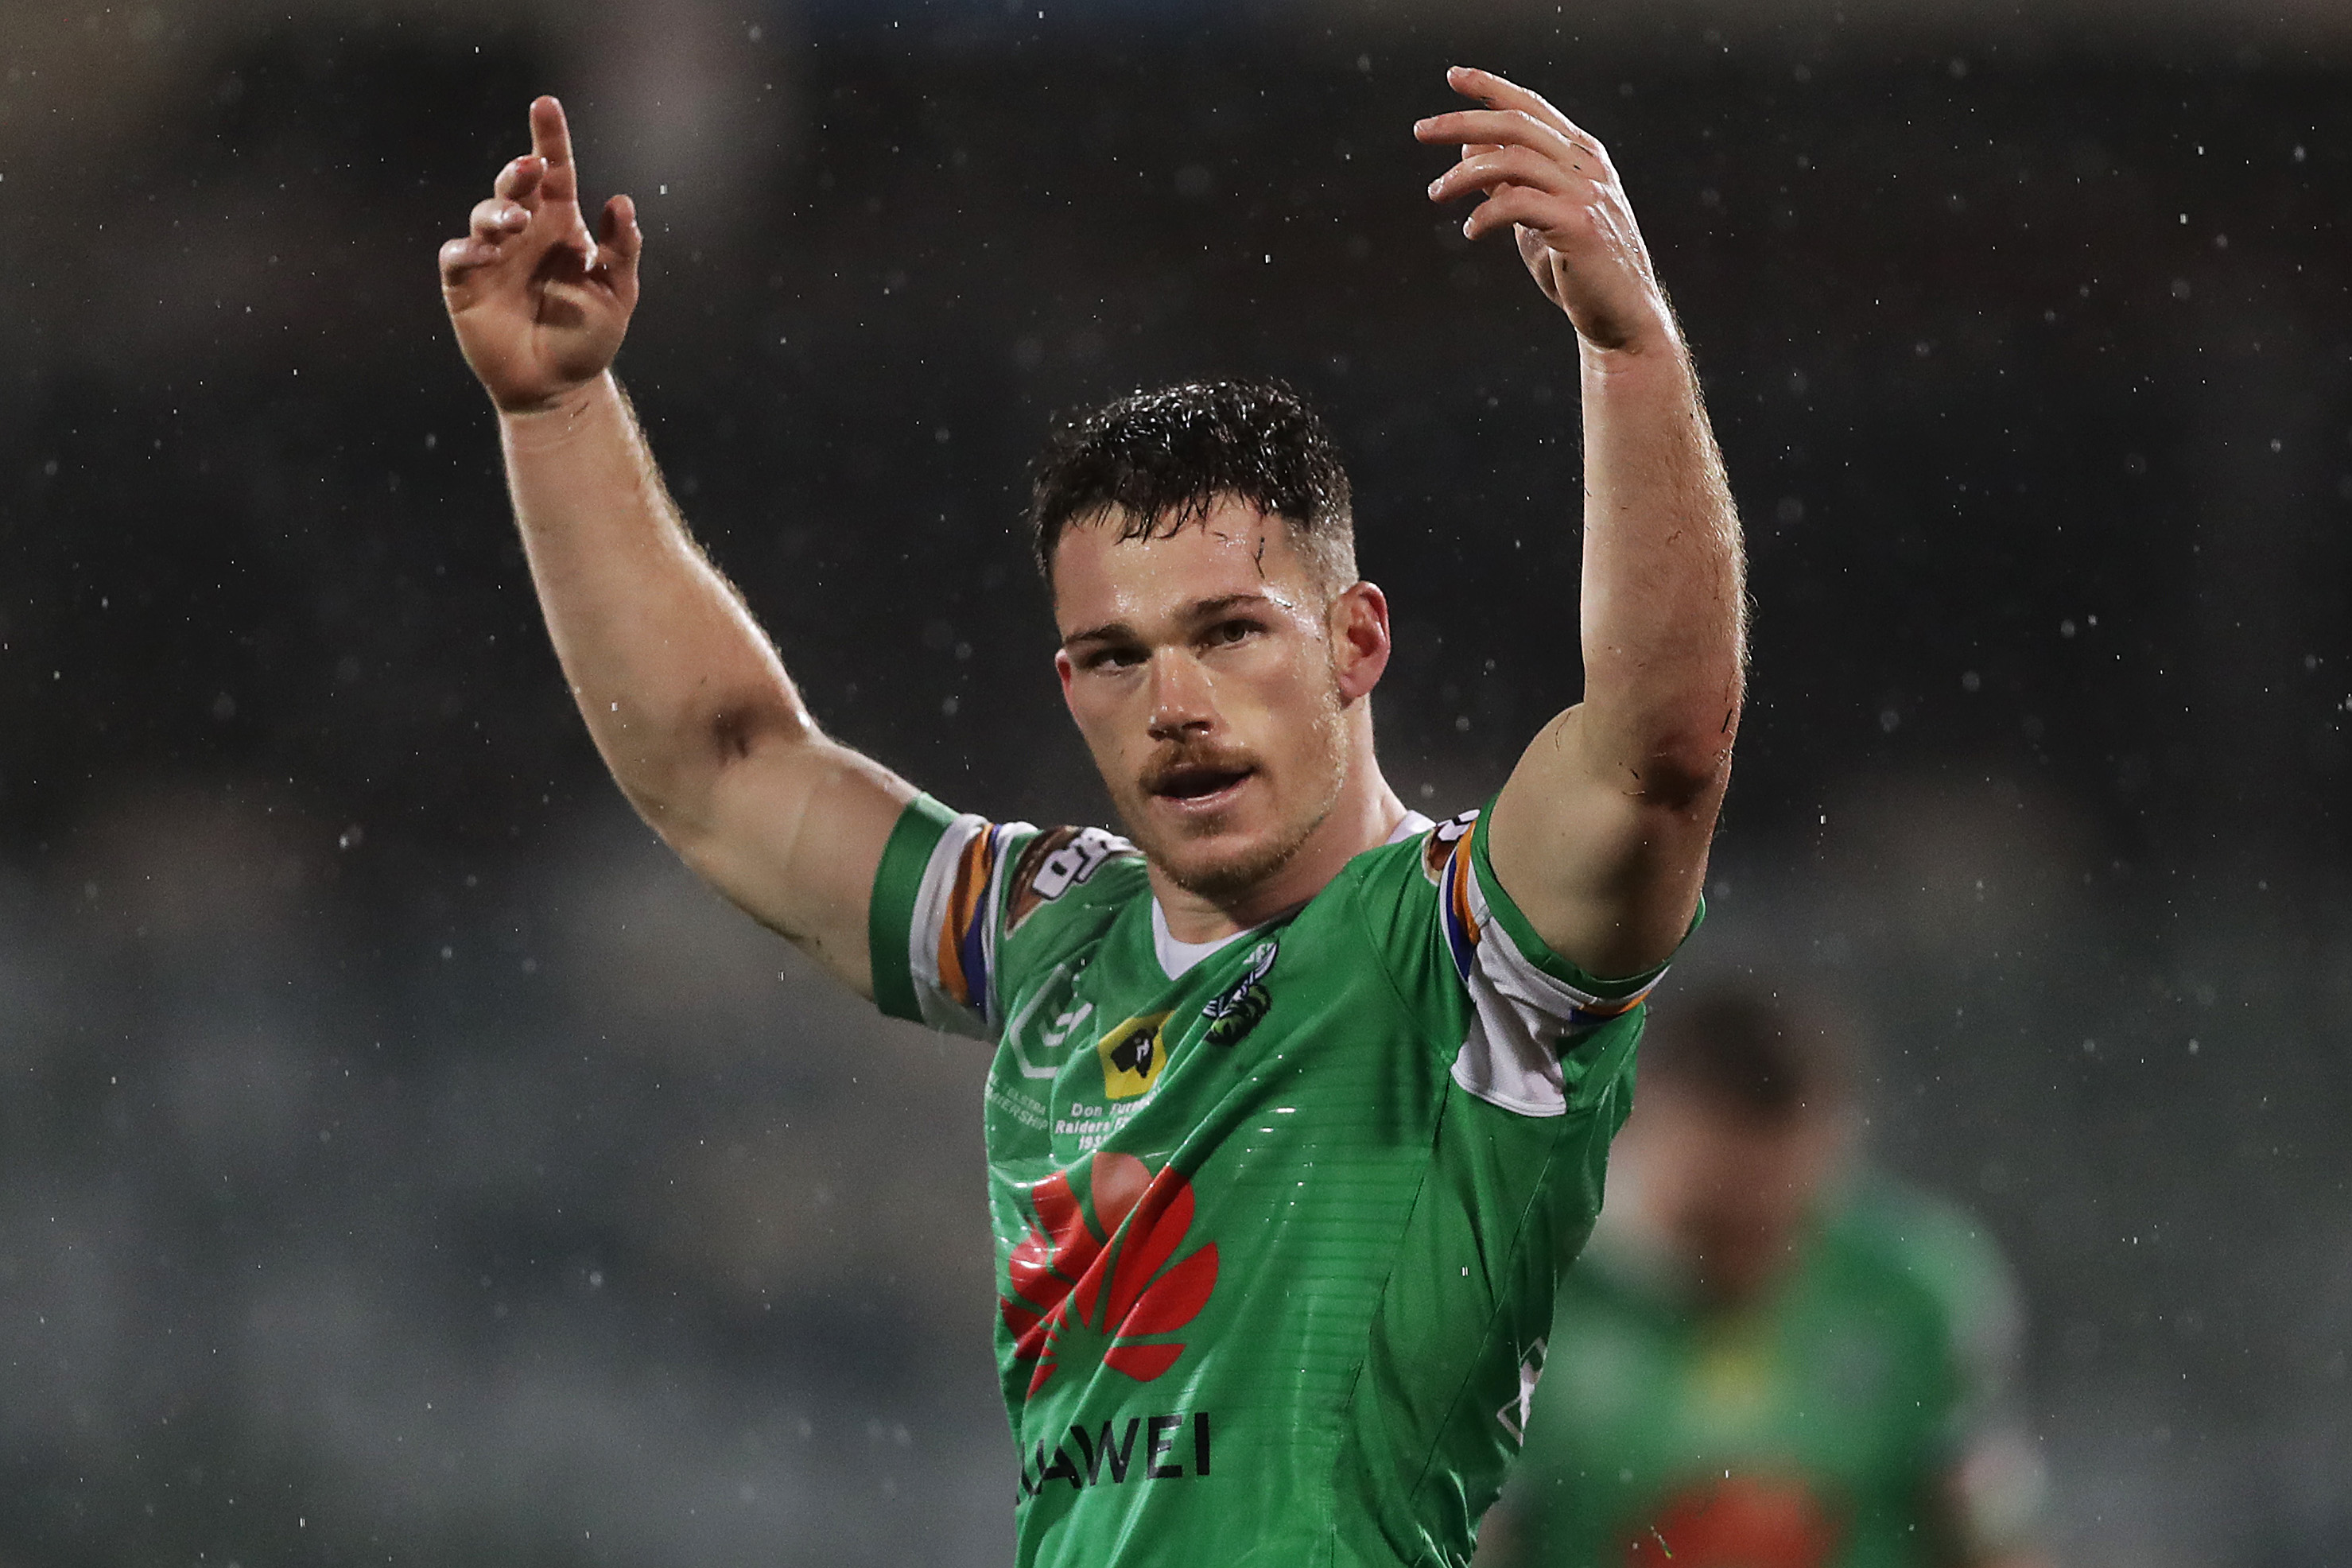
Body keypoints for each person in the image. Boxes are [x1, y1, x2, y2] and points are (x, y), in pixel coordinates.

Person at [436, 65, 1745, 1568]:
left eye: (1229, 633)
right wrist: (554, 409)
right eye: (1116, 657)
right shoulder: (1053, 929)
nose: (1173, 700)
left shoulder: (1467, 952)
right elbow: (723, 768)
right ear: (1068, 685)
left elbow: (1659, 753)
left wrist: (1628, 347)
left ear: (1355, 641)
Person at [1476, 984, 2051, 1568]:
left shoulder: (1913, 1292)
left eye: (1780, 1224)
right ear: (1626, 1126)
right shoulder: (1520, 1298)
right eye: (1713, 1225)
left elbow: (1992, 1541)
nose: (1748, 1254)